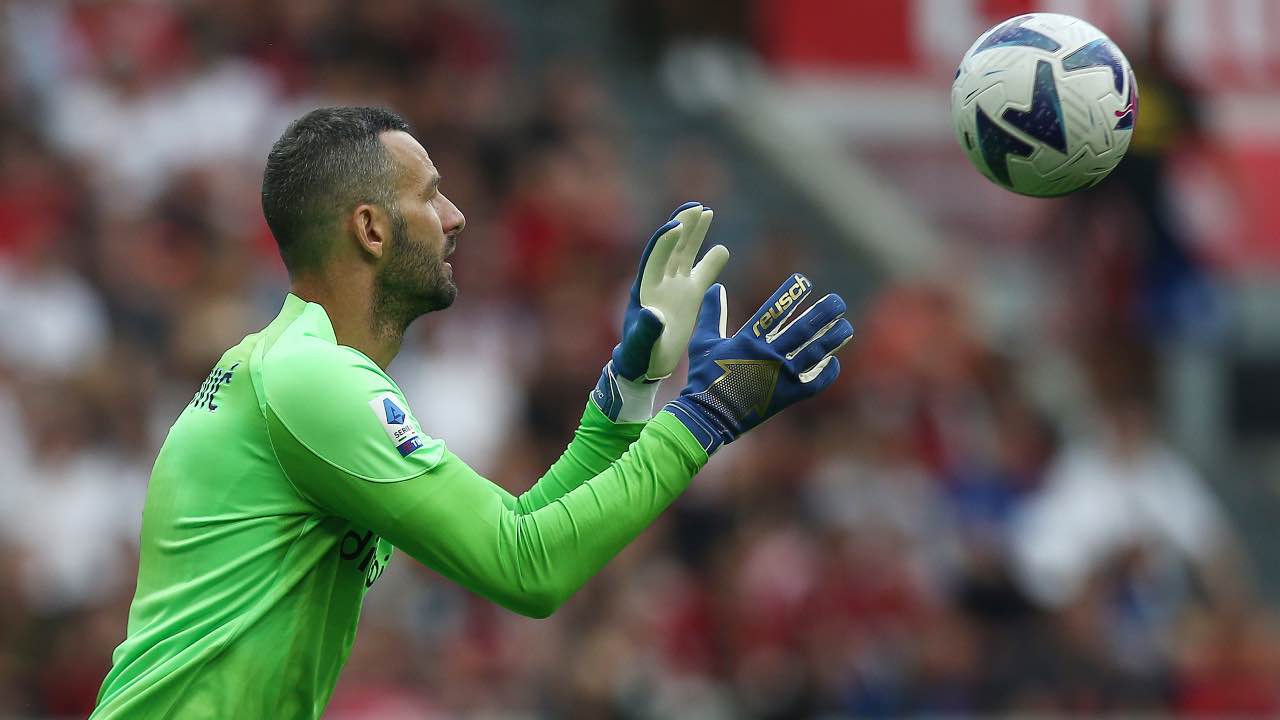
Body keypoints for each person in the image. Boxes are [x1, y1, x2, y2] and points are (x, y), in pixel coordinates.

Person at [90, 106, 853, 718]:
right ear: (371, 229)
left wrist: (631, 392)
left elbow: (522, 532)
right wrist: (706, 418)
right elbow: (529, 569)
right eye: (428, 194)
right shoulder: (311, 380)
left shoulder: (300, 367)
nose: (454, 216)